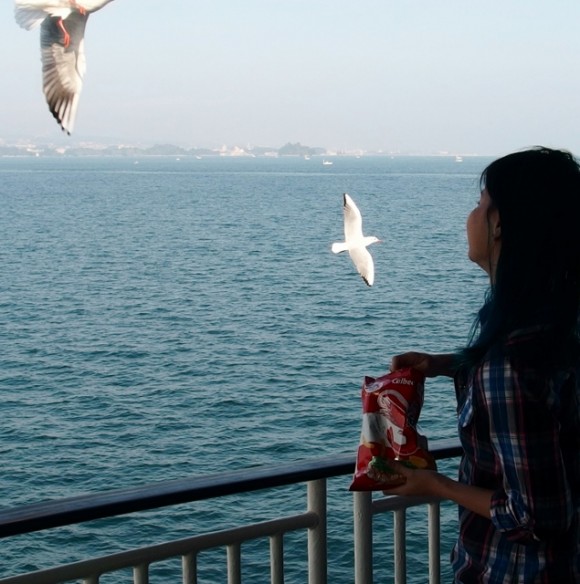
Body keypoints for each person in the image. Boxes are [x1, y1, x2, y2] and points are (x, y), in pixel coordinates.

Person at [387, 147, 580, 583]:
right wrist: (448, 364)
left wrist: (433, 485)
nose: (470, 217)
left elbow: (536, 518)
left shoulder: (510, 364)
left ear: (499, 226)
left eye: (480, 204)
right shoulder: (557, 324)